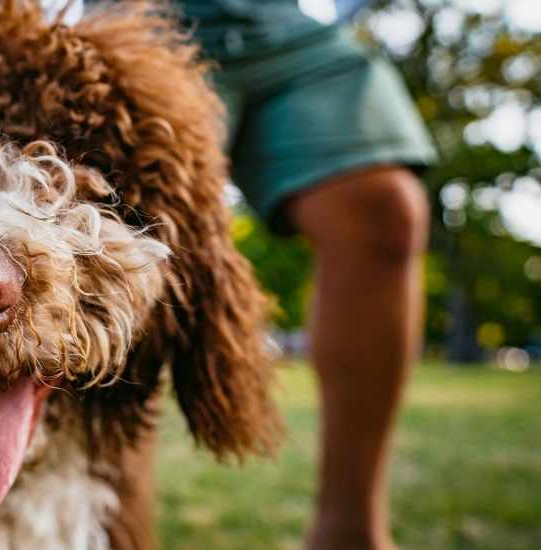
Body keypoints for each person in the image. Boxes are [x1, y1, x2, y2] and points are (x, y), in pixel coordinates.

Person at [178, 1, 436, 549]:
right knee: (143, 236)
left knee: (383, 207)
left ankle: (350, 534)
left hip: (281, 23)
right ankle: (101, 524)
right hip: (149, 18)